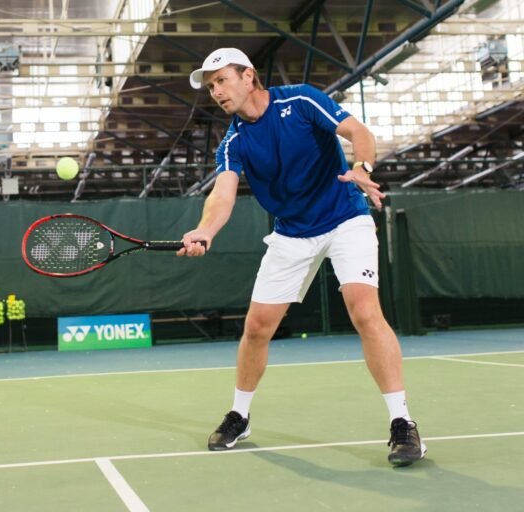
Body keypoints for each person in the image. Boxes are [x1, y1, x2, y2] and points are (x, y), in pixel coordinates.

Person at [178, 48, 426, 467]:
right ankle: (240, 413)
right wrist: (205, 230)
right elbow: (222, 194)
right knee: (257, 327)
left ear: (249, 76)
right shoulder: (233, 143)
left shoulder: (302, 100)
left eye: (222, 80)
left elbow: (359, 133)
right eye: (211, 85)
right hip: (292, 233)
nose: (216, 91)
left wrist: (362, 168)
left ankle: (403, 423)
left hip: (346, 217)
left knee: (364, 311)